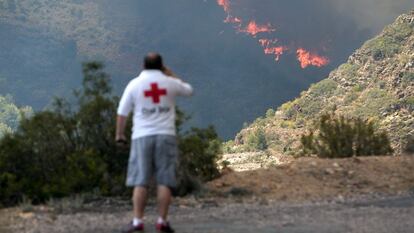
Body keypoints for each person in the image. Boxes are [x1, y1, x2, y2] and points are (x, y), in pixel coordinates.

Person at [116, 53, 193, 233]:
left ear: (143, 65)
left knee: (140, 181)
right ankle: (162, 221)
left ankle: (137, 222)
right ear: (161, 66)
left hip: (141, 136)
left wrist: (119, 134)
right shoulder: (170, 83)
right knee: (165, 180)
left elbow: (122, 112)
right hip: (166, 135)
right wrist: (170, 75)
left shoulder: (134, 84)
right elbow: (189, 90)